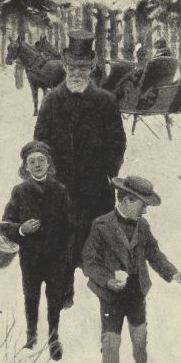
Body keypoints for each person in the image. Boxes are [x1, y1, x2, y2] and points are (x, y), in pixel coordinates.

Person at [34, 30, 126, 303]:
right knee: (60, 243)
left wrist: (109, 173)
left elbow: (117, 141)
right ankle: (63, 295)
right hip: (60, 187)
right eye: (72, 67)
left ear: (92, 68)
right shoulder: (51, 101)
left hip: (95, 188)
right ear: (64, 66)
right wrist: (46, 176)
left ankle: (103, 292)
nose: (77, 73)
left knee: (96, 241)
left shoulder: (105, 101)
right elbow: (39, 141)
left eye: (83, 68)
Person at [82, 175, 181, 363]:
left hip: (137, 291)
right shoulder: (100, 225)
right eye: (143, 205)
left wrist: (172, 273)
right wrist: (109, 281)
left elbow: (154, 254)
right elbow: (89, 262)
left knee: (139, 333)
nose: (146, 211)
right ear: (128, 200)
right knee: (110, 342)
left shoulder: (143, 226)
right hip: (110, 295)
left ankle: (141, 362)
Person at [2, 141, 73, 360]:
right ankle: (31, 338)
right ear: (25, 167)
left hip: (56, 259)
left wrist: (66, 255)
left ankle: (53, 338)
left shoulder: (60, 190)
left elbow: (70, 226)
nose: (37, 164)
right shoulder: (20, 191)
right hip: (30, 259)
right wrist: (21, 229)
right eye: (31, 161)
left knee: (54, 300)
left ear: (49, 163)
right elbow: (6, 224)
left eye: (41, 160)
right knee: (31, 298)